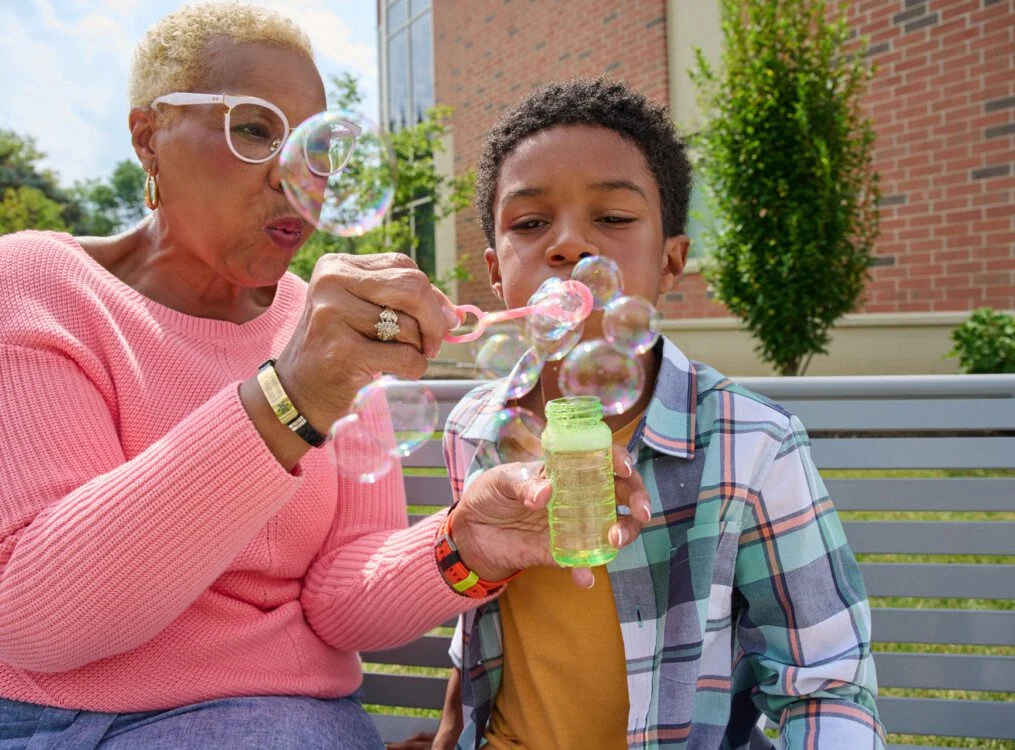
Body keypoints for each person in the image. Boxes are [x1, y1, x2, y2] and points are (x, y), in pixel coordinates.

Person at [0, 8, 649, 749]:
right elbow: (39, 623)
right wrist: (289, 399)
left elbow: (339, 607)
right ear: (148, 135)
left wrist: (466, 544)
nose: (294, 176)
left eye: (319, 150)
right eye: (254, 129)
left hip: (276, 722)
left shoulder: (327, 330)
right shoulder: (34, 285)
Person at [430, 78, 886, 749]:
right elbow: (481, 621)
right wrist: (448, 731)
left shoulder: (751, 444)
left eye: (611, 219)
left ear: (669, 262)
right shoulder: (472, 427)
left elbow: (825, 682)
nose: (566, 245)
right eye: (530, 223)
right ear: (497, 276)